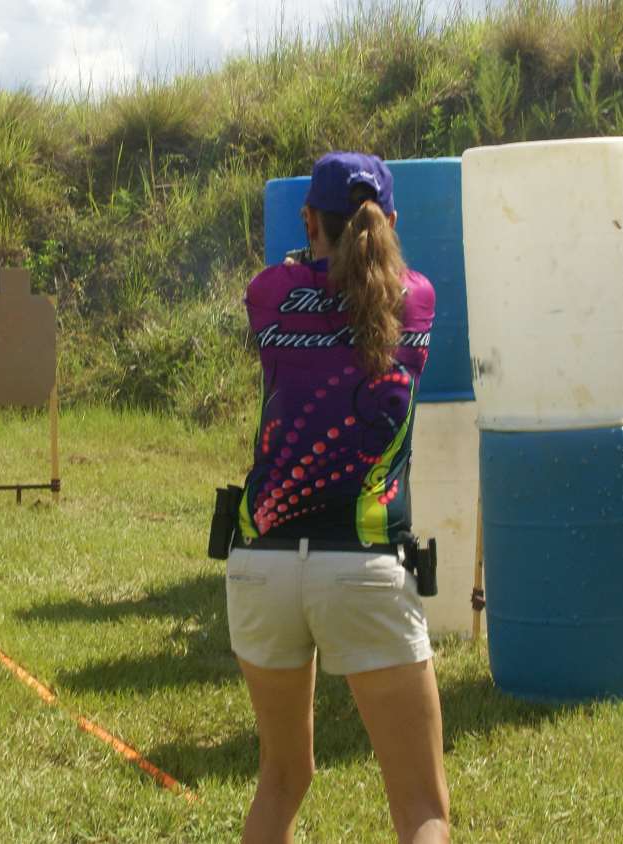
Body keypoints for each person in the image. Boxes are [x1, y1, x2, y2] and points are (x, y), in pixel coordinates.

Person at [226, 152, 450, 844]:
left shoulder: (270, 291)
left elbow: (293, 281)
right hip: (363, 562)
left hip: (260, 565)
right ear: (388, 223)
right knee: (423, 811)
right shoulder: (415, 298)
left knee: (282, 780)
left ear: (307, 220)